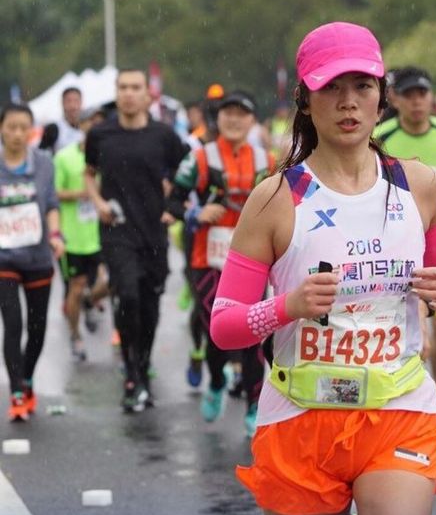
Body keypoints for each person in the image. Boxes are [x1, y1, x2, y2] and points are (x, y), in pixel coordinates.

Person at [210, 23, 436, 515]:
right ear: (305, 98)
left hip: (397, 411)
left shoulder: (418, 185)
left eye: (362, 86)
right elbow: (225, 325)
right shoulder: (277, 197)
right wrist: (286, 306)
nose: (349, 102)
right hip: (300, 418)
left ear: (383, 94)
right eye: (331, 88)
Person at [166, 90, 275, 435]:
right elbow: (172, 203)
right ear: (218, 118)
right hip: (208, 259)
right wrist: (197, 212)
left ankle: (255, 404)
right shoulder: (200, 158)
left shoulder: (268, 161)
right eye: (227, 113)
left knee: (253, 331)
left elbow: (295, 200)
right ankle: (216, 381)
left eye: (241, 114)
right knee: (220, 331)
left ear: (252, 120)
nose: (234, 120)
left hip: (253, 259)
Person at [85, 69, 188, 413]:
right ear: (117, 93)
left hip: (153, 231)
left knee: (149, 306)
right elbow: (89, 173)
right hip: (117, 231)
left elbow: (185, 170)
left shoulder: (163, 136)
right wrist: (97, 203)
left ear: (148, 95)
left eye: (135, 88)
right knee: (126, 293)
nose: (129, 94)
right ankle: (131, 374)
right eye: (123, 88)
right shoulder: (101, 134)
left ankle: (142, 366)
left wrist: (174, 206)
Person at [373, 66, 436, 434]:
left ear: (431, 97)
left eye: (422, 94)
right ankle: (396, 398)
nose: (416, 102)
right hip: (392, 246)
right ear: (395, 100)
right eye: (409, 95)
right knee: (400, 324)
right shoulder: (381, 136)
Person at [0, 103, 65, 421]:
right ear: (1, 129)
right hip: (4, 258)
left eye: (23, 127)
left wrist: (56, 235)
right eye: (10, 127)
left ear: (31, 130)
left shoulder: (43, 164)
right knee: (13, 324)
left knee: (37, 329)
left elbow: (51, 203)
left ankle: (26, 378)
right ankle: (15, 392)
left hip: (38, 255)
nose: (16, 134)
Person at [54, 106, 109, 362]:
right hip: (74, 236)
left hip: (103, 234)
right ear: (81, 125)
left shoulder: (110, 156)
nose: (95, 127)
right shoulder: (65, 157)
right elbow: (53, 194)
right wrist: (82, 194)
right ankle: (75, 335)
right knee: (75, 288)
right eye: (90, 122)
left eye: (100, 122)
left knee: (110, 282)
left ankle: (90, 302)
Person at [39, 86, 84, 154]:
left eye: (76, 101)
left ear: (81, 103)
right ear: (62, 103)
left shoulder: (88, 128)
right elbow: (41, 155)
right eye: (69, 101)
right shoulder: (53, 129)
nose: (73, 106)